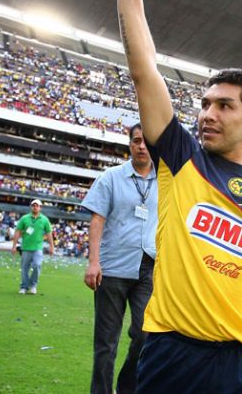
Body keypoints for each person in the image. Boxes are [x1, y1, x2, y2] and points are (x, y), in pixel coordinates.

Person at [98, 0, 242, 393]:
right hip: (173, 354)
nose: (208, 113)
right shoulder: (180, 158)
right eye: (205, 103)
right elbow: (143, 68)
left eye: (224, 106)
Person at [81, 123, 158, 394]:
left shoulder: (165, 181)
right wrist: (93, 261)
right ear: (129, 144)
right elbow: (97, 219)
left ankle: (127, 388)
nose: (141, 146)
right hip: (112, 267)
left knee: (145, 334)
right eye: (136, 140)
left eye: (146, 141)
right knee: (106, 342)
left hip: (147, 268)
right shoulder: (111, 177)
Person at [11, 199, 53, 294]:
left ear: (40, 208)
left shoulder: (45, 220)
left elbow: (49, 233)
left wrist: (52, 246)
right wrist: (14, 245)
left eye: (37, 205)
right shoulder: (24, 218)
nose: (35, 207)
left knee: (37, 265)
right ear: (31, 207)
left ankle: (33, 285)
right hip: (25, 247)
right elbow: (17, 232)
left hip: (38, 247)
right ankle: (24, 287)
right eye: (33, 205)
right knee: (25, 268)